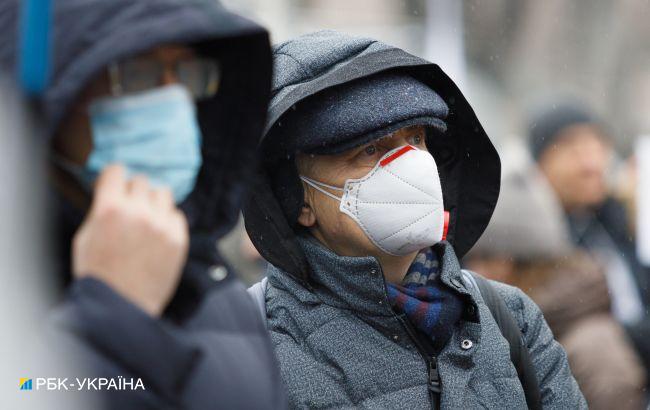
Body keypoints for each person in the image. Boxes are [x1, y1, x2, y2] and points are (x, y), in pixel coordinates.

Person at [243, 30, 586, 409]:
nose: (410, 165)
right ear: (297, 199)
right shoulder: (252, 346)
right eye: (370, 149)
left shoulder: (508, 317)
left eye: (418, 139)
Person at [0, 1, 285, 408]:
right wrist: (113, 315)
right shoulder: (14, 287)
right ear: (50, 100)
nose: (174, 103)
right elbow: (28, 389)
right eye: (135, 75)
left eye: (187, 75)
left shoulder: (214, 287)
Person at [465, 161, 647, 410]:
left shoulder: (592, 347)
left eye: (486, 258)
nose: (475, 271)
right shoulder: (521, 328)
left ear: (519, 261)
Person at [529, 102, 650, 382]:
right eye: (573, 149)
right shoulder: (530, 241)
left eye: (598, 145)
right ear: (540, 162)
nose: (591, 163)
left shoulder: (616, 222)